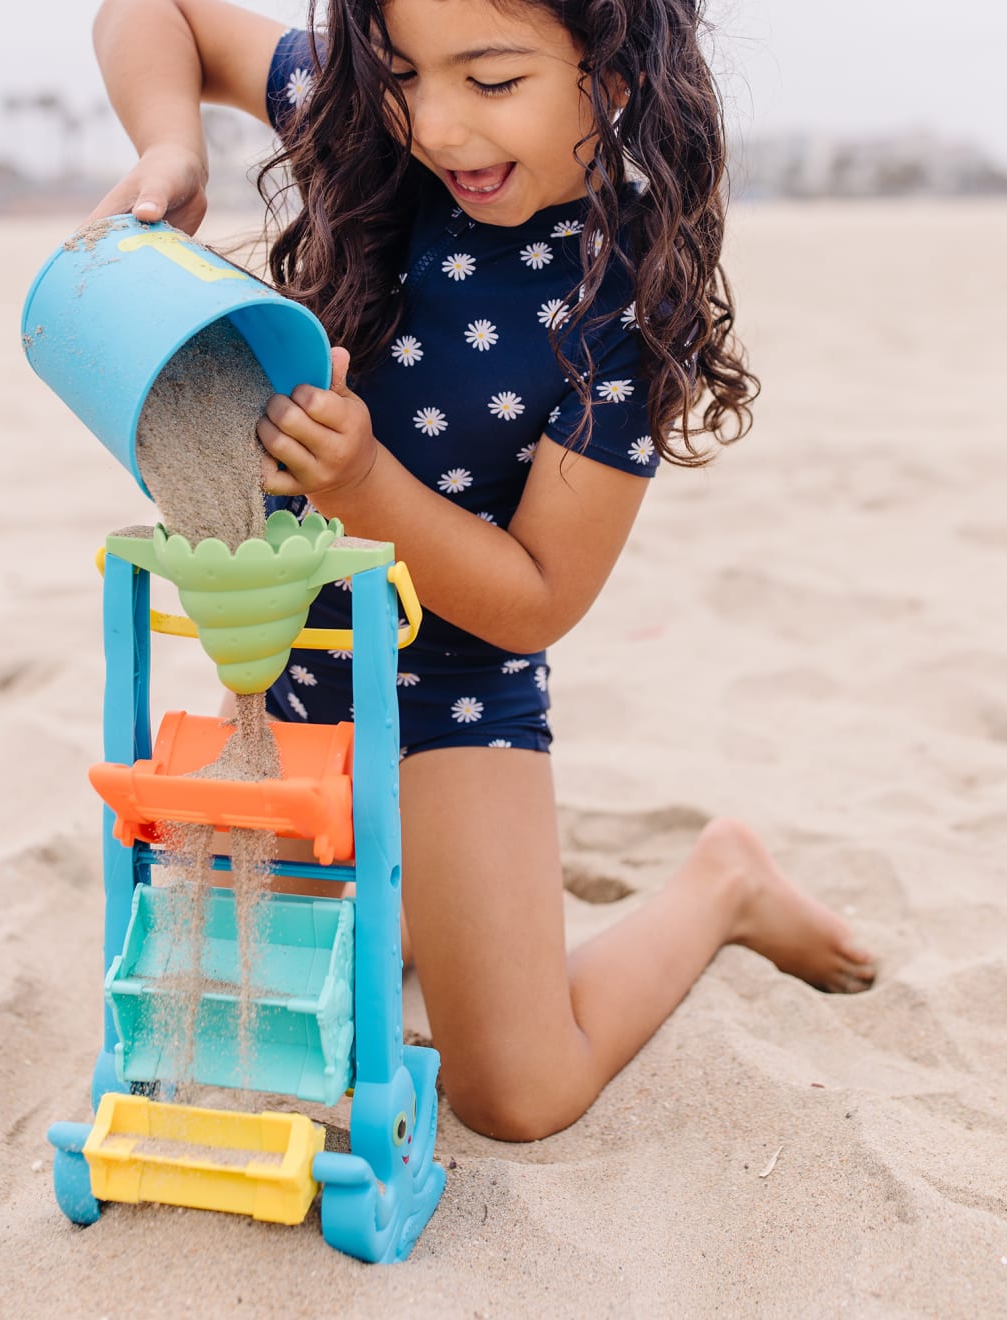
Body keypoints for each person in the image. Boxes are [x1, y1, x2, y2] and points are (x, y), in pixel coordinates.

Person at [89, 0, 876, 1142]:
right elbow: (155, 15)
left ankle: (722, 884)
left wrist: (364, 483)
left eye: (493, 83)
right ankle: (407, 898)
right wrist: (169, 143)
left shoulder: (620, 298)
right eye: (404, 75)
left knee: (516, 1094)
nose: (441, 128)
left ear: (612, 74)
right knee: (242, 1022)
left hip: (455, 692)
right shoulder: (370, 125)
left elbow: (540, 596)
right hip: (284, 665)